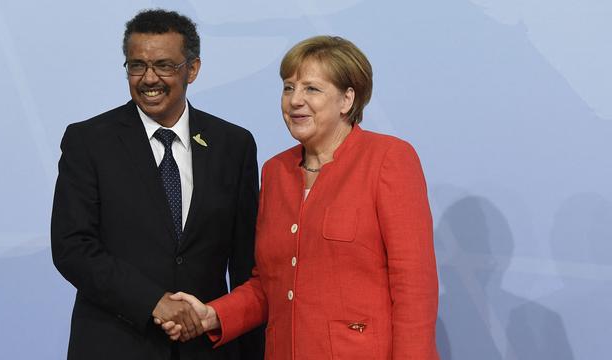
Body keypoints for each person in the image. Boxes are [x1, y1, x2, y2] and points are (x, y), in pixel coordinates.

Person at [161, 35, 440, 359]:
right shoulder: (276, 171)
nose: (294, 100)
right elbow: (268, 286)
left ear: (347, 99)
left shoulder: (388, 159)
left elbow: (414, 289)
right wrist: (212, 315)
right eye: (289, 87)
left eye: (312, 89)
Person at [51, 9, 263, 360]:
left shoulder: (233, 145)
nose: (149, 78)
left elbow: (246, 265)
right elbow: (73, 246)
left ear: (192, 70)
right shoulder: (89, 141)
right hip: (114, 345)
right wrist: (153, 302)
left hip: (207, 349)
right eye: (137, 66)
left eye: (164, 65)